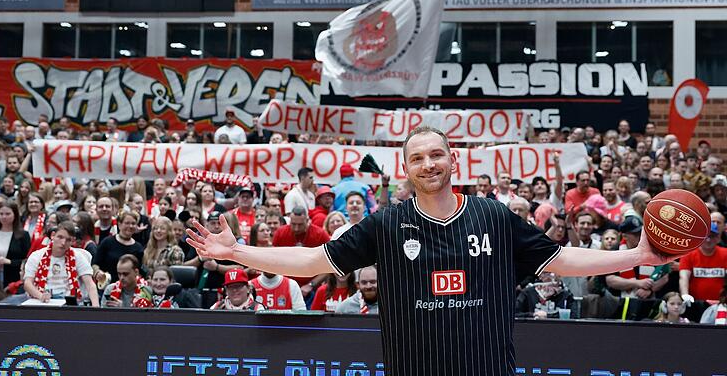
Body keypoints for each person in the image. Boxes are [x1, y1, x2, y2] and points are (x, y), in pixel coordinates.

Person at [186, 126, 678, 376]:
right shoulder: (386, 223)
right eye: (417, 158)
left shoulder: (493, 215)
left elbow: (561, 259)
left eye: (436, 154)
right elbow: (313, 262)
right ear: (407, 169)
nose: (428, 164)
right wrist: (241, 253)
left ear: (453, 159)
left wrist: (636, 256)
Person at [23, 221, 99, 306]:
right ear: (52, 235)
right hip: (42, 300)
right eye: (60, 237)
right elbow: (27, 283)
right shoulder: (36, 256)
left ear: (73, 241)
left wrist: (96, 308)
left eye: (68, 240)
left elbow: (90, 284)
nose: (63, 243)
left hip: (69, 302)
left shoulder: (79, 256)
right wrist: (40, 296)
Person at [0, 200, 31, 287]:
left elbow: (27, 261)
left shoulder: (23, 235)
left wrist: (8, 261)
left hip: (13, 279)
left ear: (15, 215)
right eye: (1, 214)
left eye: (8, 214)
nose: (4, 217)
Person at [679, 223, 727, 302]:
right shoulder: (688, 254)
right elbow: (684, 277)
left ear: (718, 238)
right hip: (696, 303)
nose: (708, 240)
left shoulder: (725, 254)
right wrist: (685, 295)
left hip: (721, 303)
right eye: (705, 236)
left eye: (712, 236)